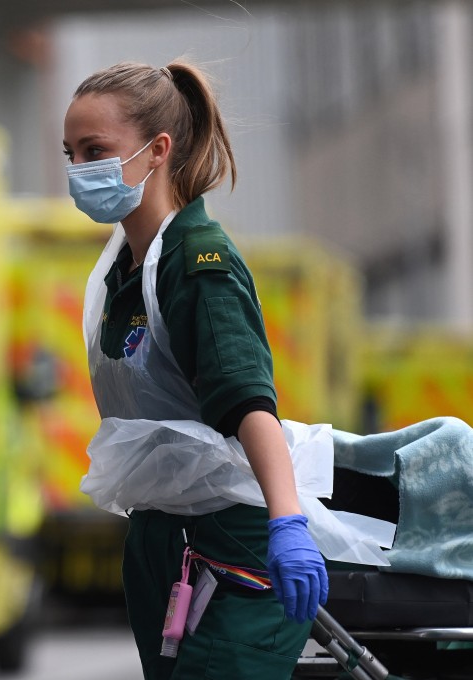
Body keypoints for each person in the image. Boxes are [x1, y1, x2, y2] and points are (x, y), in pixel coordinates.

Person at [63, 60, 329, 678]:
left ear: (158, 150)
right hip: (165, 539)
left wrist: (287, 524)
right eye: (71, 153)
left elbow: (247, 403)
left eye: (95, 151)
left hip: (231, 535)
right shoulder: (121, 270)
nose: (79, 171)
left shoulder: (197, 263)